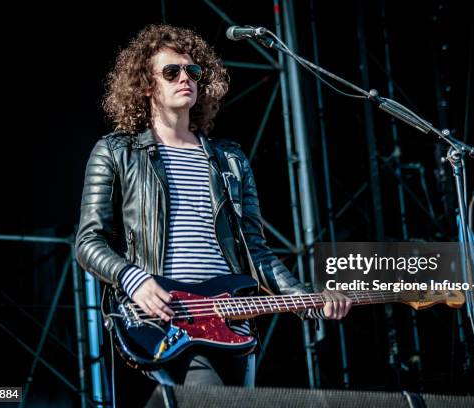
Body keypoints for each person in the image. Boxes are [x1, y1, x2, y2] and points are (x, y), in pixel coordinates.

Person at [75, 23, 351, 387]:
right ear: (145, 85)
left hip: (230, 318)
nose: (184, 78)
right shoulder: (115, 151)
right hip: (162, 317)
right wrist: (133, 279)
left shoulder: (229, 160)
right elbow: (88, 241)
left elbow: (256, 251)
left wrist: (307, 298)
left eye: (193, 71)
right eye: (171, 71)